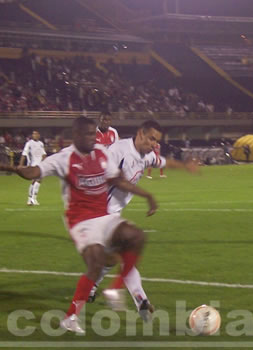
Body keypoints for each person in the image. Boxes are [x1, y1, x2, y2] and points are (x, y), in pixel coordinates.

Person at [0, 117, 158, 334]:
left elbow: (117, 180)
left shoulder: (101, 153)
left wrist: (147, 195)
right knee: (97, 261)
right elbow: (34, 172)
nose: (92, 138)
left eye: (94, 134)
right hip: (80, 220)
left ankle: (120, 292)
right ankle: (71, 317)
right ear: (75, 136)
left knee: (136, 237)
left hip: (104, 215)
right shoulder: (63, 158)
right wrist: (12, 168)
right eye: (87, 134)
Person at [88, 120, 198, 320]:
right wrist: (147, 195)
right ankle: (141, 301)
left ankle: (91, 287)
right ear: (140, 133)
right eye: (152, 139)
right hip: (97, 211)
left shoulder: (147, 155)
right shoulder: (118, 151)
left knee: (111, 256)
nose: (154, 144)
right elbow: (114, 180)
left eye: (157, 141)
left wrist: (184, 166)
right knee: (125, 251)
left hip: (112, 212)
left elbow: (163, 162)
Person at [20, 131, 46, 205]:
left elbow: (43, 154)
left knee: (36, 181)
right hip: (32, 165)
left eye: (36, 134)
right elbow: (24, 154)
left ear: (39, 135)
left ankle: (30, 199)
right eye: (34, 134)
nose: (35, 135)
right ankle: (33, 199)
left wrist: (45, 162)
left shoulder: (41, 144)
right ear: (32, 135)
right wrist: (20, 165)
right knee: (37, 180)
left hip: (40, 165)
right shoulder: (29, 143)